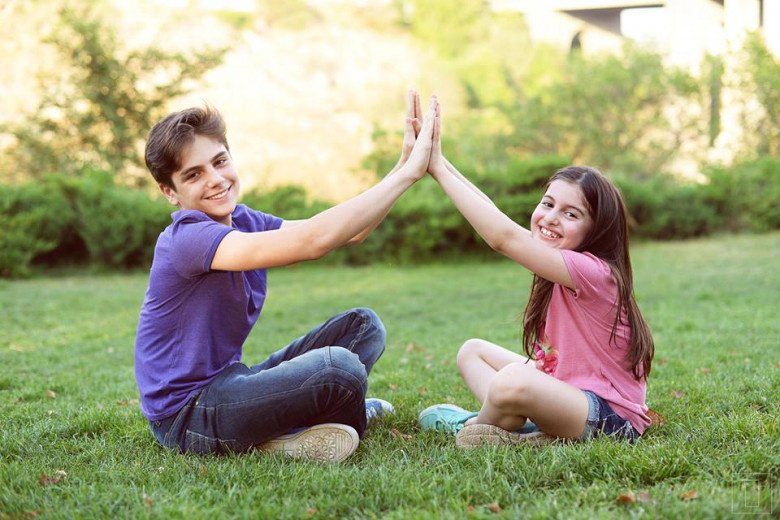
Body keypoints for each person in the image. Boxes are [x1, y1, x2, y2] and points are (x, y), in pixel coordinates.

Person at [135, 91, 437, 461]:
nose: (215, 179)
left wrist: (402, 167)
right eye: (194, 174)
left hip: (230, 384)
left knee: (363, 326)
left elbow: (350, 233)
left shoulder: (243, 219)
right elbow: (312, 241)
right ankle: (314, 422)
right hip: (186, 415)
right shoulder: (187, 238)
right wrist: (407, 174)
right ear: (170, 192)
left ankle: (296, 426)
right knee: (339, 368)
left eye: (220, 161)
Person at [418, 101, 654, 447]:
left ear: (597, 230)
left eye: (571, 214)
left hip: (610, 420)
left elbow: (503, 237)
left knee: (512, 380)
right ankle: (523, 427)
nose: (551, 218)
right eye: (548, 204)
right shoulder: (561, 262)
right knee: (473, 351)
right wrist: (438, 162)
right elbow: (495, 215)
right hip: (568, 393)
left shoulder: (593, 272)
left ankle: (474, 427)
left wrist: (438, 171)